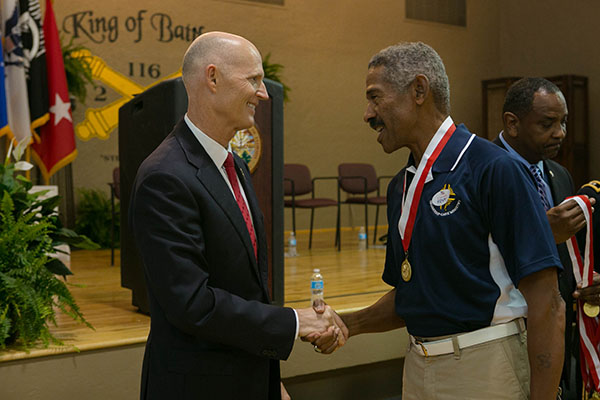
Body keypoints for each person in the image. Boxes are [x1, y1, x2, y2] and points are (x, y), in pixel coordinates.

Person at [311, 42, 565, 399]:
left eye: (375, 97)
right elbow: (415, 295)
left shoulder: (493, 169)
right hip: (417, 367)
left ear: (418, 90)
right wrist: (348, 323)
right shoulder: (402, 185)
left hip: (485, 369)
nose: (368, 114)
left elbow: (548, 303)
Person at [129, 31, 342, 400]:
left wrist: (268, 380)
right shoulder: (165, 176)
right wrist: (293, 322)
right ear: (212, 78)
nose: (264, 93)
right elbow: (192, 304)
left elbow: (244, 288)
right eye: (254, 80)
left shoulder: (235, 167)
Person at [493, 77, 596, 399]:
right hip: (507, 337)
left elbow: (566, 254)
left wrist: (586, 283)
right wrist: (540, 234)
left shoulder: (558, 173)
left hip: (558, 332)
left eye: (563, 122)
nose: (560, 133)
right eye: (548, 123)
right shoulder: (483, 171)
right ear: (512, 123)